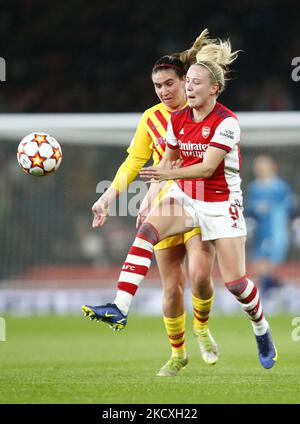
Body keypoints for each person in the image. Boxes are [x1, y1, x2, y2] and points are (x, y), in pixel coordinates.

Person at [83, 33, 277, 371]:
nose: (187, 89)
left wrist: (165, 178)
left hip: (220, 204)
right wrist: (149, 195)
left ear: (214, 88)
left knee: (234, 283)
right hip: (185, 197)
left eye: (193, 83)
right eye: (188, 83)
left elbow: (206, 168)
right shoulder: (174, 120)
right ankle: (120, 306)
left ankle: (260, 328)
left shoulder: (227, 123)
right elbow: (166, 164)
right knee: (146, 231)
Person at [83, 30, 221, 376]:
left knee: (201, 275)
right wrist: (108, 197)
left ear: (184, 80)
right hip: (167, 206)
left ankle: (202, 326)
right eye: (158, 86)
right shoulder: (151, 119)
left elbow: (207, 163)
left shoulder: (203, 111)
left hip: (200, 202)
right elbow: (134, 163)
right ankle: (178, 354)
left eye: (170, 83)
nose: (164, 91)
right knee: (172, 287)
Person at [246, 155, 297, 293]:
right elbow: (250, 209)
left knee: (266, 263)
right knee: (259, 263)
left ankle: (273, 291)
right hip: (259, 232)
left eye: (262, 165)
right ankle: (273, 290)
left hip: (275, 230)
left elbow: (291, 206)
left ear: (271, 167)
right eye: (257, 166)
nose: (259, 168)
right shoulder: (254, 187)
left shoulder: (279, 187)